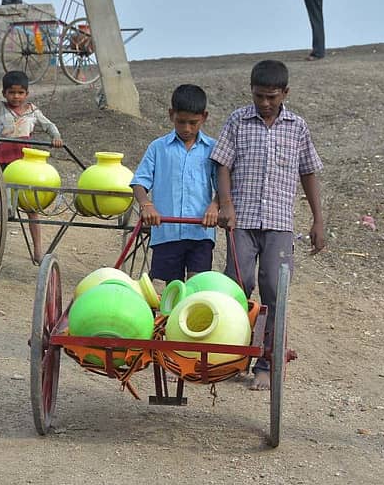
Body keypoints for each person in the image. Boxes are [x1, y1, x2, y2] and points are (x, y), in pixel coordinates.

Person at [210, 59, 325, 390]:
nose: (264, 103)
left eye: (272, 97)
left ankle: (266, 363)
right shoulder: (237, 121)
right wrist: (226, 204)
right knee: (237, 286)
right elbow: (223, 165)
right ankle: (232, 358)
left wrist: (318, 220)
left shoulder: (297, 127)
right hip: (242, 221)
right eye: (259, 96)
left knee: (275, 290)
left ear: (285, 93)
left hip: (278, 224)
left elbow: (308, 172)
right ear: (251, 92)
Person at [130, 84, 219, 284]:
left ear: (204, 117)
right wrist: (146, 205)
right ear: (171, 115)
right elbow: (139, 182)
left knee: (197, 287)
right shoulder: (158, 147)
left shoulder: (213, 149)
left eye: (193, 123)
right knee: (163, 290)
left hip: (200, 234)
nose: (187, 128)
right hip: (166, 233)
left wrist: (215, 205)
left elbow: (222, 185)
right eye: (181, 122)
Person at [0, 70, 63, 262]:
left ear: (27, 94)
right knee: (0, 205)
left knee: (31, 207)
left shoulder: (33, 111)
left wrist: (56, 137)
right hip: (3, 161)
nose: (16, 97)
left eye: (20, 93)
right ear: (4, 93)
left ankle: (37, 251)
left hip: (25, 164)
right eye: (11, 93)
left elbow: (49, 126)